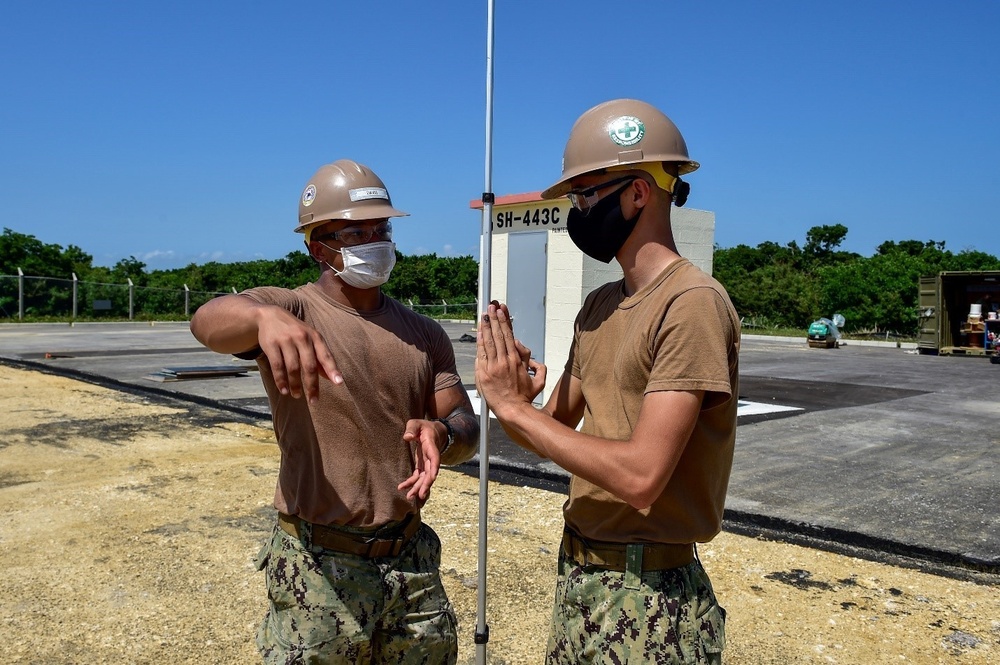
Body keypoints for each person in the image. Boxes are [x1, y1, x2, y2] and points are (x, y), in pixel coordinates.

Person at [475, 99, 740, 664]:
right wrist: (521, 400)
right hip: (584, 580)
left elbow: (642, 477)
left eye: (586, 195)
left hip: (650, 601)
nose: (577, 211)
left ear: (638, 193)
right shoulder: (598, 304)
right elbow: (553, 433)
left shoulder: (689, 304)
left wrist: (513, 411)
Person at [190, 158, 479, 664]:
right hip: (317, 566)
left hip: (409, 562)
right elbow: (207, 320)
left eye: (381, 228)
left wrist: (442, 432)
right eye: (354, 231)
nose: (374, 239)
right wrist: (262, 318)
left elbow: (465, 427)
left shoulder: (425, 333)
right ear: (316, 244)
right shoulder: (293, 310)